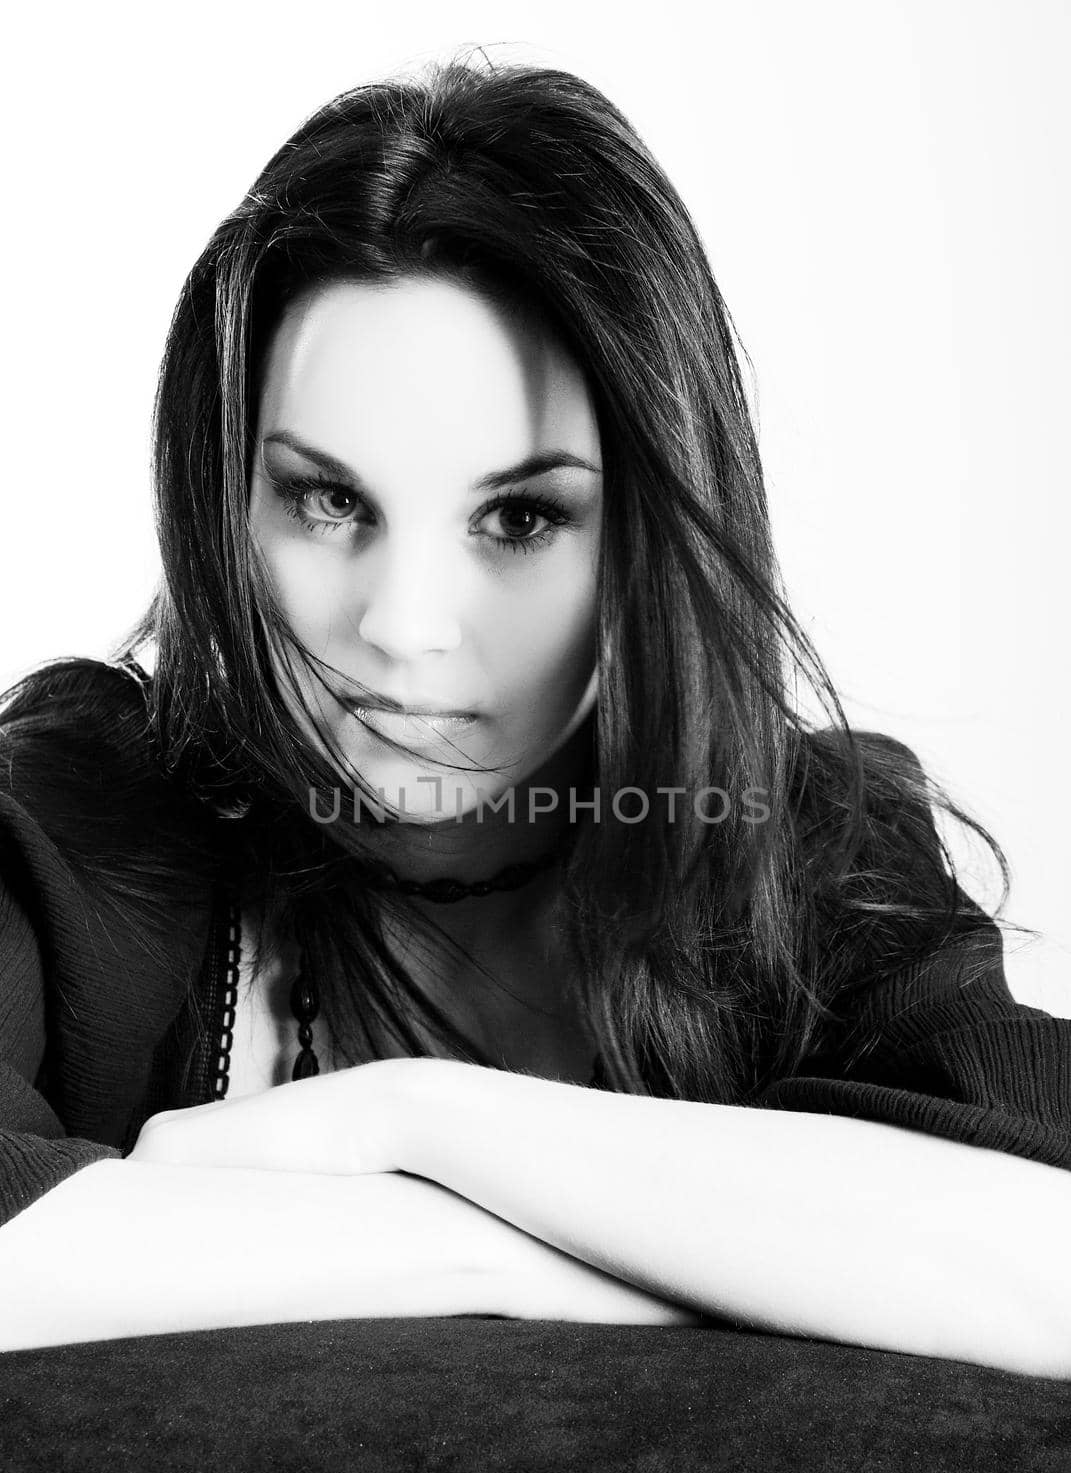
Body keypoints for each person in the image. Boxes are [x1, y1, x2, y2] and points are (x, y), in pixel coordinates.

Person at [1, 54, 1069, 1373]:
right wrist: (552, 1258)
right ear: (230, 500)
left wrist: (402, 1125)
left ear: (648, 531)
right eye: (326, 501)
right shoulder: (83, 818)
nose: (402, 624)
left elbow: (1049, 1264)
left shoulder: (804, 852)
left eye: (520, 517)